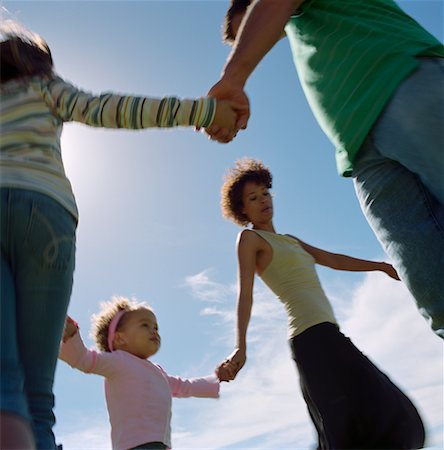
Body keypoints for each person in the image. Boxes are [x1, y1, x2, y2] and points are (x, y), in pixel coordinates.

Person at [0, 19, 241, 449]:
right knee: (35, 391)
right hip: (47, 217)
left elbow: (182, 385)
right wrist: (202, 111)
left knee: (3, 378)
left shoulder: (154, 372)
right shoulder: (43, 88)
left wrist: (212, 381)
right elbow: (112, 108)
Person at [206, 0, 444, 338]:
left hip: (403, 83)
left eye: (245, 29)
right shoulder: (306, 27)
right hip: (362, 152)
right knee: (435, 295)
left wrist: (233, 78)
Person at [217, 158, 425, 449]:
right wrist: (241, 346)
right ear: (242, 210)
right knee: (340, 426)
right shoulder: (250, 239)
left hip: (328, 334)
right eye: (253, 198)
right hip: (309, 338)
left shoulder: (291, 241)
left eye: (265, 192)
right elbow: (246, 293)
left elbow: (334, 260)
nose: (263, 200)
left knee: (386, 406)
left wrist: (379, 266)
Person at [60, 296, 225, 450]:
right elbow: (83, 359)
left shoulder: (157, 372)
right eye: (145, 325)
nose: (154, 331)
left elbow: (184, 386)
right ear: (120, 339)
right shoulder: (118, 361)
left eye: (156, 327)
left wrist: (217, 379)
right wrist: (70, 334)